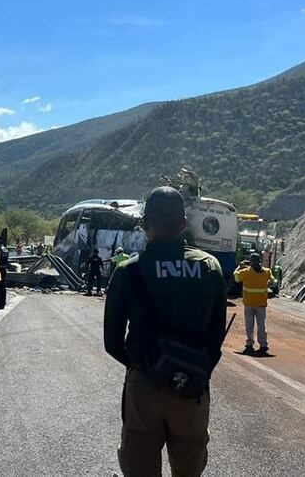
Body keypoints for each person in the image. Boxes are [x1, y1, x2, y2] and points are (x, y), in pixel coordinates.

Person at [104, 186, 227, 477]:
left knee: (140, 465)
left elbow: (112, 342)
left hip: (144, 382)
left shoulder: (128, 271)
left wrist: (150, 366)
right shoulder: (210, 267)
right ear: (183, 224)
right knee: (189, 467)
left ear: (145, 225)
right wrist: (190, 368)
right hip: (191, 385)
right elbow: (216, 337)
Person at [234, 252, 275, 355]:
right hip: (261, 304)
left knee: (249, 325)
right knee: (261, 325)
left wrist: (239, 266)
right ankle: (263, 344)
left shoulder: (246, 272)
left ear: (251, 262)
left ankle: (249, 344)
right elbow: (273, 281)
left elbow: (235, 277)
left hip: (249, 304)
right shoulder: (267, 272)